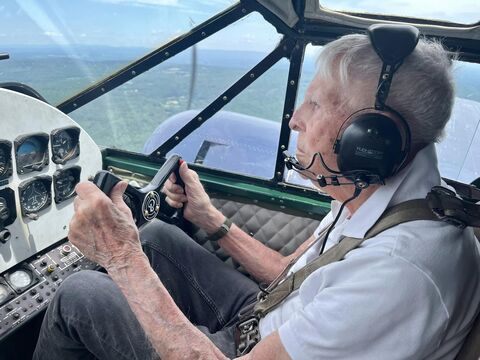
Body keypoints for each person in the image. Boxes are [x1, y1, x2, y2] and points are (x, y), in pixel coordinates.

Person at [33, 32, 480, 360]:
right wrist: (211, 220)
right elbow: (293, 276)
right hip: (265, 321)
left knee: (80, 294)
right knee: (155, 238)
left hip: (244, 350)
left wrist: (119, 256)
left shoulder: (400, 271)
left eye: (316, 104)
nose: (296, 121)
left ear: (369, 139)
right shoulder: (379, 196)